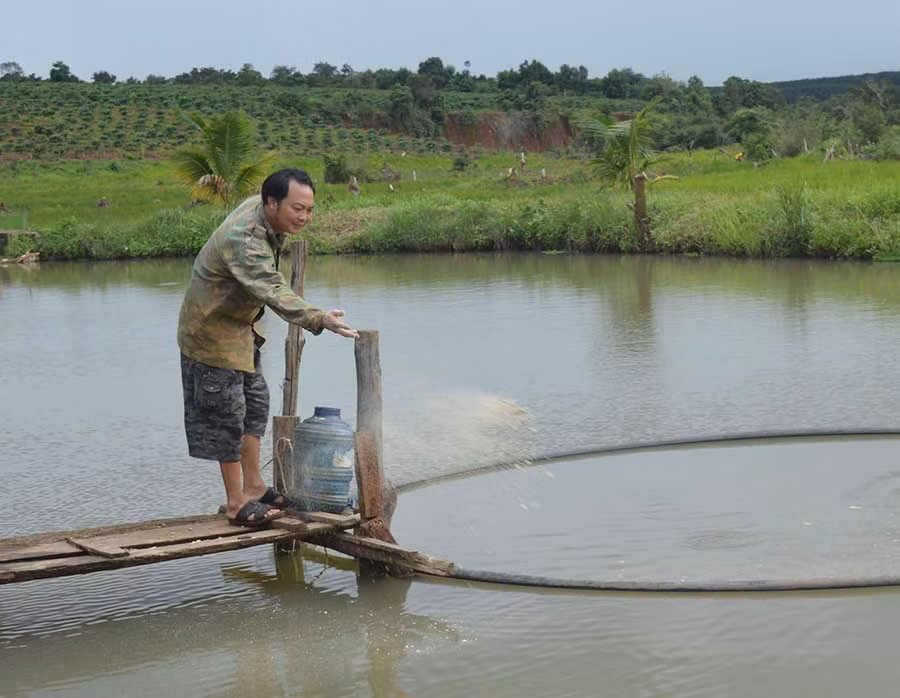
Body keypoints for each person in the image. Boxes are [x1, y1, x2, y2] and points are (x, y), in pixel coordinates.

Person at [177, 168, 359, 528]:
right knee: (226, 417)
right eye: (297, 209)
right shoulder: (243, 238)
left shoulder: (264, 214)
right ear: (271, 202)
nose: (304, 217)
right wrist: (318, 317)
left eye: (309, 209)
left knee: (255, 406)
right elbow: (272, 289)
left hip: (241, 330)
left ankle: (255, 486)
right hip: (210, 333)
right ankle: (235, 503)